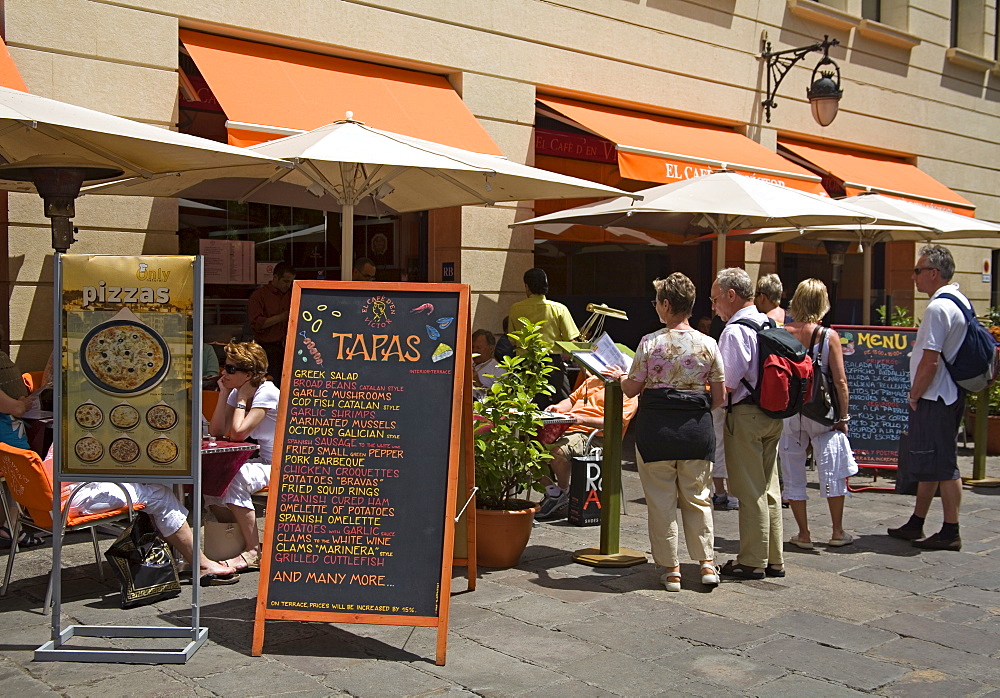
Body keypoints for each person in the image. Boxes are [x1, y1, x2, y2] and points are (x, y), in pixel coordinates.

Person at [604, 273, 724, 591]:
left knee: (660, 501)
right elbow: (720, 398)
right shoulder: (709, 344)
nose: (656, 306)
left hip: (656, 431)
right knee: (698, 498)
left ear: (667, 304)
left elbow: (631, 389)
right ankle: (707, 564)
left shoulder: (651, 342)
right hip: (696, 432)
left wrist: (618, 376)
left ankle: (671, 570)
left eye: (657, 301)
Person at [887, 245, 968, 551]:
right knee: (932, 461)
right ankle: (917, 521)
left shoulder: (937, 308)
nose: (914, 277)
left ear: (934, 273)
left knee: (944, 465)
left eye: (918, 270)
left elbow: (930, 361)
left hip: (936, 396)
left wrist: (914, 393)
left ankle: (950, 530)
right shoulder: (958, 300)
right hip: (950, 393)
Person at [712, 267, 785, 581]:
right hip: (772, 413)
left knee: (749, 489)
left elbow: (724, 385)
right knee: (770, 488)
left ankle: (752, 560)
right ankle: (773, 558)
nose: (714, 307)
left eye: (716, 299)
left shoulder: (735, 330)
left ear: (731, 295)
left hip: (746, 416)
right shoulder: (767, 320)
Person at [778, 279, 854, 548]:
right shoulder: (828, 336)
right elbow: (840, 381)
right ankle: (837, 531)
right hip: (821, 412)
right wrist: (843, 417)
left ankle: (804, 533)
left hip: (790, 411)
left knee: (792, 469)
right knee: (832, 468)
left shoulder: (782, 332)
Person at [207, 341, 280, 571]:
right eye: (223, 366)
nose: (223, 373)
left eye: (230, 369)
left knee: (234, 476)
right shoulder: (238, 391)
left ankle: (252, 550)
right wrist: (225, 393)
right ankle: (232, 542)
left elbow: (238, 434)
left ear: (248, 374)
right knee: (213, 478)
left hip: (284, 463)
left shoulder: (267, 392)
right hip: (266, 461)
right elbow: (217, 431)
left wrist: (239, 401)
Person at [535, 374, 639, 521]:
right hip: (569, 427)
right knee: (528, 451)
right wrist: (558, 407)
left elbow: (617, 422)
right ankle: (554, 493)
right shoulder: (592, 381)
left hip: (595, 435)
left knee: (557, 452)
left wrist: (582, 420)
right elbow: (571, 400)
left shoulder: (626, 391)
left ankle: (563, 492)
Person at [508, 268, 580, 407]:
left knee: (525, 405)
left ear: (527, 286)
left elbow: (513, 339)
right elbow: (571, 341)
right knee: (561, 404)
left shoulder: (515, 308)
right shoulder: (559, 309)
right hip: (552, 364)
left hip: (524, 364)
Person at [0, 354, 45, 548]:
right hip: (7, 432)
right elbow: (16, 408)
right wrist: (24, 403)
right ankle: (11, 526)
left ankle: (11, 526)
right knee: (21, 469)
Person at [247, 261, 295, 386]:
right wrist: (283, 316)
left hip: (288, 348)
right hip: (266, 348)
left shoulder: (291, 295)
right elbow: (256, 323)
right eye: (285, 281)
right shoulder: (259, 295)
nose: (288, 285)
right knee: (269, 384)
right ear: (275, 278)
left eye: (291, 282)